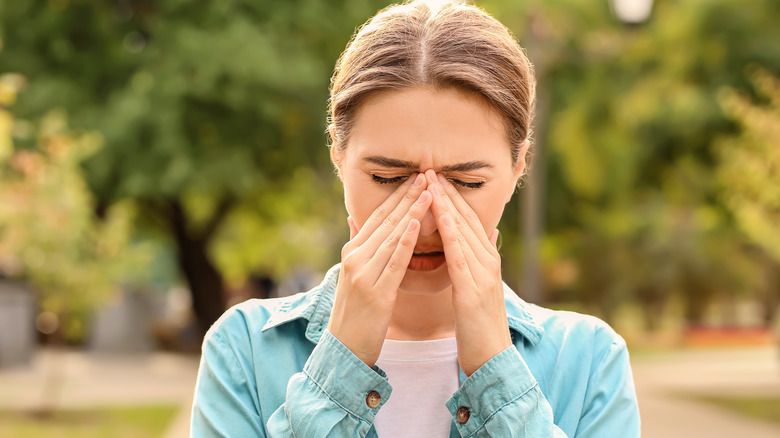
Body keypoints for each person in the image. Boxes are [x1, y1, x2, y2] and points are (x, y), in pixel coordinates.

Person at [190, 1, 640, 436]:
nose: (426, 218)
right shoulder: (245, 349)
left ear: (518, 166)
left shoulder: (588, 361)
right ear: (339, 159)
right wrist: (339, 367)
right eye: (388, 177)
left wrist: (495, 370)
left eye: (466, 182)